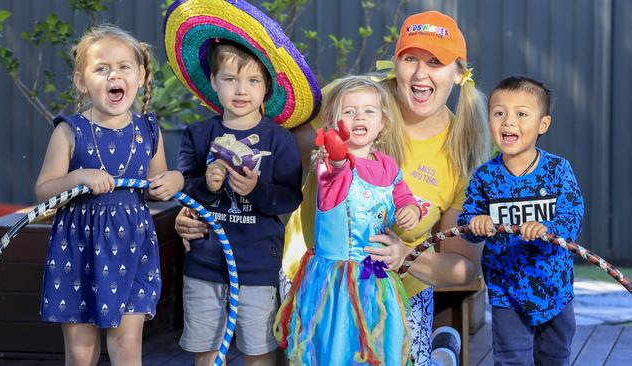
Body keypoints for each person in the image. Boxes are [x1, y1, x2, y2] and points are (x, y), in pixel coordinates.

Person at [176, 10, 491, 365]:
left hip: (395, 288)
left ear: (459, 73)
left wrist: (407, 257)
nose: (420, 73)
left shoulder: (463, 151)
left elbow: (465, 267)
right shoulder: (352, 100)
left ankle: (438, 353)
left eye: (436, 62)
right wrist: (201, 208)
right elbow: (262, 158)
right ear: (395, 65)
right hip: (313, 276)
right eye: (410, 59)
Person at [36, 24, 183, 365]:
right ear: (81, 81)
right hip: (79, 246)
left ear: (141, 76)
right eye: (101, 68)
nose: (113, 74)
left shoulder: (148, 130)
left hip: (133, 245)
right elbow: (44, 190)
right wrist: (77, 177)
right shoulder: (70, 132)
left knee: (127, 345)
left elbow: (157, 184)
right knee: (81, 351)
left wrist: (174, 179)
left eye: (123, 67)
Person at [274, 76, 422, 365]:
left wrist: (411, 210)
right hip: (336, 279)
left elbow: (404, 195)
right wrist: (336, 151)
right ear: (335, 124)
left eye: (369, 111)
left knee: (378, 343)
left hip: (375, 274)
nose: (359, 117)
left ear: (383, 123)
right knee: (339, 343)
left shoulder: (388, 165)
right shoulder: (330, 164)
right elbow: (338, 171)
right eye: (349, 111)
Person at [175, 40, 303, 366]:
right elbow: (183, 188)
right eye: (230, 79)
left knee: (258, 350)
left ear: (266, 89)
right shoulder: (198, 134)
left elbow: (290, 196)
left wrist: (256, 191)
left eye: (252, 81)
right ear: (214, 84)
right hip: (205, 263)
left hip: (258, 264)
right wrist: (207, 183)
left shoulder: (280, 140)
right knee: (206, 349)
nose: (241, 90)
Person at [458, 76, 584, 365]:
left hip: (555, 289)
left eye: (521, 114)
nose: (508, 122)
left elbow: (572, 216)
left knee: (555, 357)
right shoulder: (484, 177)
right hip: (506, 292)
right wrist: (475, 223)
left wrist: (548, 228)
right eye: (499, 113)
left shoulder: (557, 170)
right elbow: (467, 222)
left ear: (543, 124)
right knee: (511, 359)